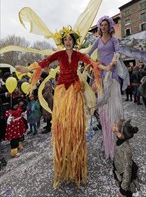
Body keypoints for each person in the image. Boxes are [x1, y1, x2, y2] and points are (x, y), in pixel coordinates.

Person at [16, 26, 111, 188]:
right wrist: (26, 69)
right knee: (62, 128)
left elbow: (91, 62)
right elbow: (43, 63)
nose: (68, 42)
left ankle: (77, 166)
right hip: (61, 92)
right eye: (65, 39)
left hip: (74, 91)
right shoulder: (59, 54)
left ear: (74, 42)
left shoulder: (78, 55)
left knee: (75, 127)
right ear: (63, 42)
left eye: (70, 39)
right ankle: (64, 165)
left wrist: (105, 67)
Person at [88, 16, 126, 160]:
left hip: (113, 75)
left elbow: (117, 52)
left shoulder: (114, 40)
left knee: (114, 108)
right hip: (101, 76)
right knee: (103, 110)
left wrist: (114, 60)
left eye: (105, 25)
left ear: (109, 26)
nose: (103, 27)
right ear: (100, 27)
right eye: (101, 25)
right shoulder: (97, 40)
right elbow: (88, 54)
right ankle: (107, 140)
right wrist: (92, 63)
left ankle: (117, 139)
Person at [112, 119, 140, 197]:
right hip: (120, 174)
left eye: (115, 125)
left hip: (126, 182)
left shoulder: (126, 150)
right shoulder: (120, 139)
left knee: (127, 194)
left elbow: (127, 172)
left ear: (120, 134)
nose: (113, 125)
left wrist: (122, 191)